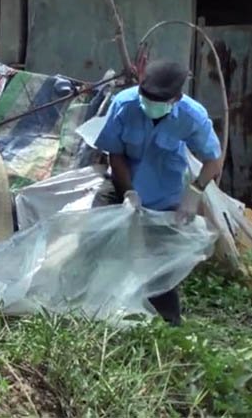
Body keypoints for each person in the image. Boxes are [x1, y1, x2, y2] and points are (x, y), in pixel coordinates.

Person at [93, 60, 223, 326]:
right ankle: (95, 309)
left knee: (159, 260)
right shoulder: (125, 105)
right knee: (97, 238)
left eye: (156, 101)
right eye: (145, 97)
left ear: (175, 98)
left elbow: (213, 160)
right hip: (122, 183)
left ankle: (168, 325)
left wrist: (194, 193)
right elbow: (115, 154)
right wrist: (128, 192)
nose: (148, 104)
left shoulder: (191, 116)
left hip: (165, 193)